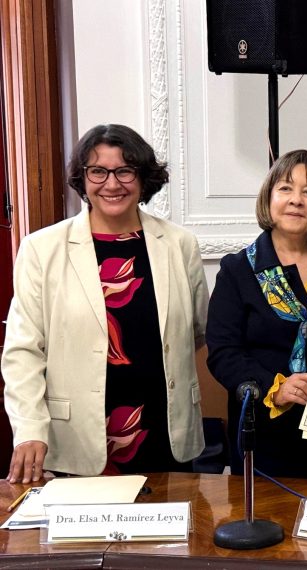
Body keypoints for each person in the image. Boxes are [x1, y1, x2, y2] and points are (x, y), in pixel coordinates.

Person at [2, 124, 208, 482]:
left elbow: (197, 332)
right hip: (78, 439)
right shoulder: (42, 249)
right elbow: (23, 351)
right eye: (98, 171)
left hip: (164, 431)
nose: (112, 184)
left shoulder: (180, 244)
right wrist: (30, 427)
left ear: (144, 178)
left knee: (171, 537)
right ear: (83, 178)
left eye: (125, 170)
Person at [206, 149, 307, 478]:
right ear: (269, 197)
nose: (297, 200)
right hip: (266, 439)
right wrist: (274, 387)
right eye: (286, 188)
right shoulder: (237, 271)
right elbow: (223, 353)